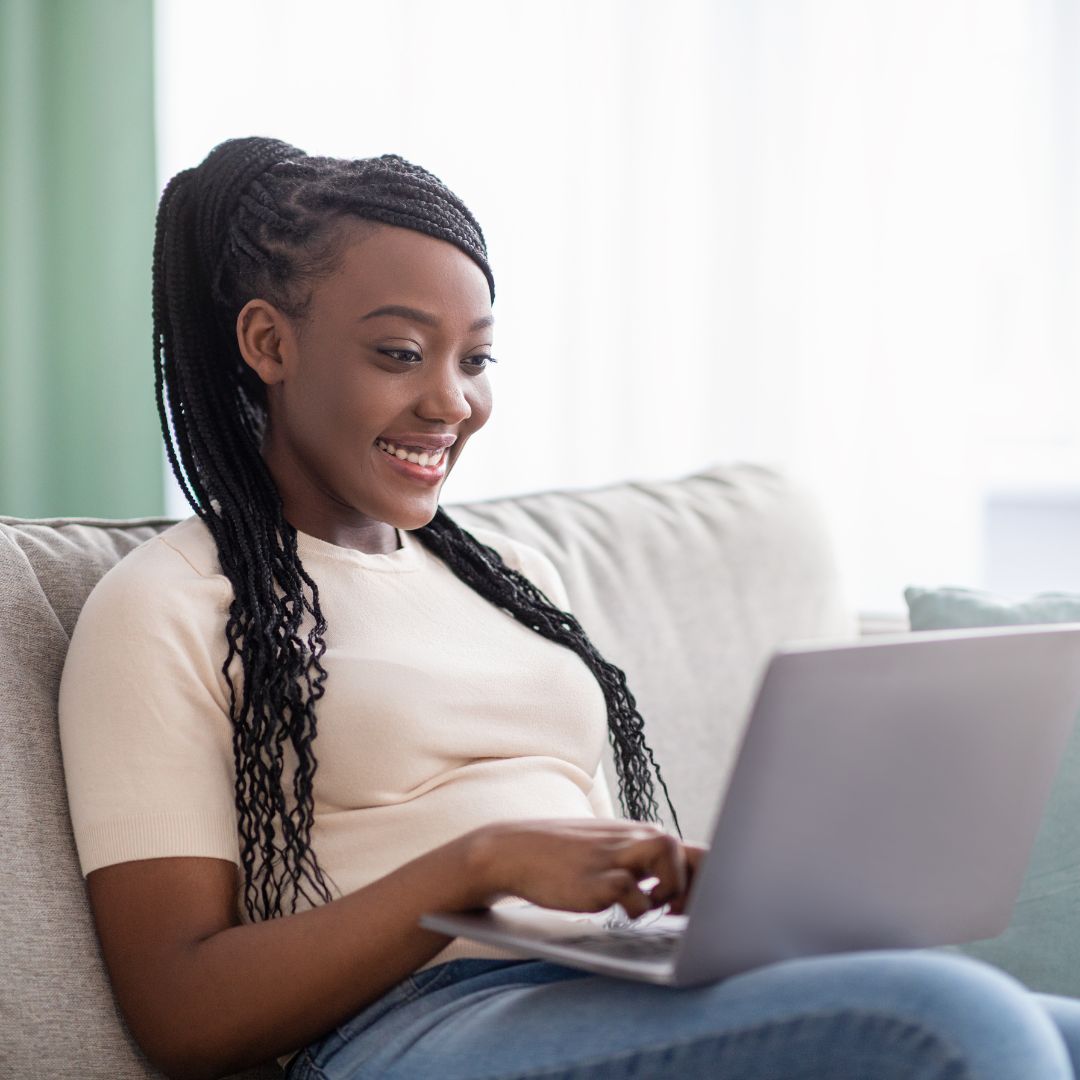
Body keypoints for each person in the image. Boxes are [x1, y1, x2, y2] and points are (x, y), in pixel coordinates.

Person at [56, 135, 1080, 1080]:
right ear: (268, 345)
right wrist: (480, 864)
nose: (452, 402)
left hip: (607, 983)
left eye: (476, 358)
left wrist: (674, 882)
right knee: (954, 1022)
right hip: (404, 1025)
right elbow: (180, 1011)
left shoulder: (502, 577)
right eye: (402, 353)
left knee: (1054, 1026)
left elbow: (573, 845)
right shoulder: (171, 606)